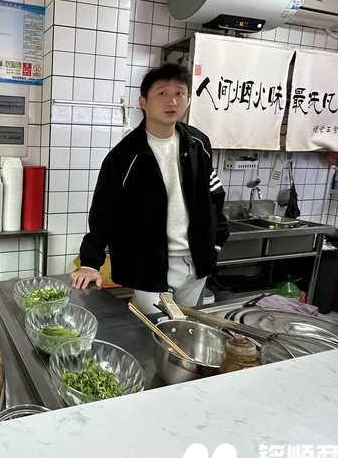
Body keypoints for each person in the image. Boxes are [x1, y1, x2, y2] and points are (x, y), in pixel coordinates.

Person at [71, 63, 229, 312]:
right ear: (143, 101)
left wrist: (215, 244)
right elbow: (104, 212)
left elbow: (214, 197)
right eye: (162, 93)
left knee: (186, 328)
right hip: (148, 266)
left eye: (180, 93)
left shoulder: (198, 144)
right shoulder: (124, 156)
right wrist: (90, 263)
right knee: (155, 329)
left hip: (196, 262)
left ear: (188, 99)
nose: (172, 101)